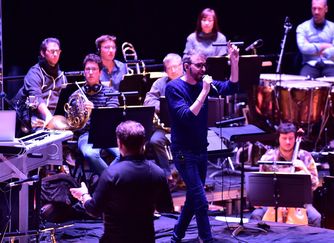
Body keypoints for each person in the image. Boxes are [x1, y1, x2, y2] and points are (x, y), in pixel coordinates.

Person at [166, 43, 239, 243]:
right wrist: (204, 92)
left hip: (200, 150)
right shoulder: (173, 88)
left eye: (204, 65)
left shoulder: (203, 84)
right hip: (182, 152)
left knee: (192, 198)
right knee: (200, 200)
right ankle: (207, 240)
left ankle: (176, 236)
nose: (203, 69)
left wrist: (234, 61)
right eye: (199, 65)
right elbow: (187, 116)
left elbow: (231, 86)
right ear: (187, 65)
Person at [70, 120, 173, 243]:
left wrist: (83, 195)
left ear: (120, 144)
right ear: (144, 143)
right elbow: (166, 208)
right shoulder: (158, 173)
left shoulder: (111, 174)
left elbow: (94, 210)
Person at [250, 123, 321, 227]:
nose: (287, 142)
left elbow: (314, 185)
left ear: (295, 138)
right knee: (256, 215)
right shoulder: (268, 158)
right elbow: (261, 186)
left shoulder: (305, 157)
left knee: (315, 217)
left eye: (291, 138)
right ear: (278, 138)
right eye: (284, 138)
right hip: (273, 203)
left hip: (299, 203)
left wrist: (304, 169)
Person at [70, 53, 120, 175]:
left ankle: (108, 179)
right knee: (90, 154)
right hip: (86, 135)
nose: (91, 72)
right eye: (88, 69)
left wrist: (94, 112)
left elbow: (111, 118)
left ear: (100, 72)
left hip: (108, 134)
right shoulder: (76, 95)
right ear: (84, 72)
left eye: (94, 69)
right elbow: (75, 125)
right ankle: (111, 181)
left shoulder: (111, 92)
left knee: (124, 154)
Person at [12, 37, 67, 132]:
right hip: (29, 117)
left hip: (50, 119)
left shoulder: (62, 77)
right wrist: (49, 117)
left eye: (57, 51)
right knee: (43, 135)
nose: (55, 54)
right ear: (43, 53)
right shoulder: (34, 73)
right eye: (52, 51)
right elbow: (36, 97)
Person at [144, 53, 183, 181]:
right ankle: (167, 175)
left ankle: (181, 172)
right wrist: (162, 107)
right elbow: (148, 101)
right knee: (155, 141)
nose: (173, 70)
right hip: (166, 127)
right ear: (165, 70)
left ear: (182, 66)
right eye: (169, 68)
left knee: (185, 144)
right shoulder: (159, 83)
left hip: (185, 127)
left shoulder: (190, 82)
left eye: (176, 66)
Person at [296, 0, 334, 79]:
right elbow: (303, 48)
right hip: (310, 64)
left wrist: (318, 50)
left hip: (330, 64)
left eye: (319, 9)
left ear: (326, 9)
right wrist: (326, 45)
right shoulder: (302, 27)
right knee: (303, 83)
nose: (316, 12)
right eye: (314, 8)